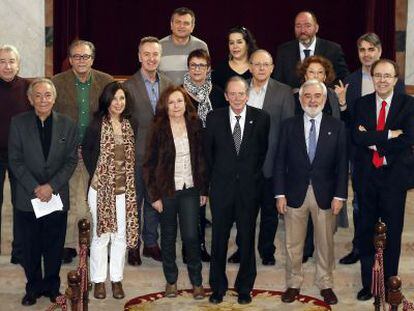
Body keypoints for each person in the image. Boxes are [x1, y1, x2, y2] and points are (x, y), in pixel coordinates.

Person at [275, 79, 348, 305]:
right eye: (307, 96)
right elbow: (279, 162)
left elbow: (342, 165)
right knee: (293, 243)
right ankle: (293, 283)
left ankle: (325, 283)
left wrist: (340, 196)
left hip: (325, 195)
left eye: (317, 96)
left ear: (325, 99)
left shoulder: (337, 126)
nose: (312, 100)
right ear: (300, 99)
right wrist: (279, 194)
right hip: (294, 193)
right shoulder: (288, 125)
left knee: (325, 242)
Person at [8, 78, 78, 306]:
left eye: (47, 95)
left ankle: (51, 286)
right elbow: (15, 160)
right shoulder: (18, 123)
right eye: (37, 95)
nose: (43, 100)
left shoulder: (68, 124)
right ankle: (33, 288)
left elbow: (70, 161)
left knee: (54, 245)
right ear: (30, 99)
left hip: (56, 196)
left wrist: (51, 186)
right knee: (30, 247)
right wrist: (35, 187)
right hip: (28, 197)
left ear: (54, 98)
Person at [340, 33, 406, 265]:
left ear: (379, 51)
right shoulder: (351, 81)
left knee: (389, 217)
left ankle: (386, 265)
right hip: (362, 158)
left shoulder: (394, 81)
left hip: (390, 162)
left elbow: (402, 127)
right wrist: (344, 106)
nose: (366, 54)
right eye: (362, 50)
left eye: (371, 49)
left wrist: (374, 138)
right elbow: (352, 126)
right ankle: (360, 248)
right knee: (360, 208)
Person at [353, 59, 414, 301]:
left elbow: (408, 139)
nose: (382, 80)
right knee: (367, 231)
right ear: (372, 78)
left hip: (393, 180)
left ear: (395, 80)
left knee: (392, 233)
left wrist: (372, 139)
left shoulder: (408, 105)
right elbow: (356, 139)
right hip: (366, 178)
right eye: (378, 75)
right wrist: (389, 134)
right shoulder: (361, 104)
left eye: (387, 76)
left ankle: (390, 283)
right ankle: (369, 285)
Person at [206, 76, 270, 305]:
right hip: (221, 190)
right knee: (218, 240)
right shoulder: (214, 118)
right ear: (225, 96)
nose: (236, 98)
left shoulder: (261, 118)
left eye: (240, 93)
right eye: (232, 94)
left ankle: (245, 287)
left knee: (246, 239)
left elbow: (261, 153)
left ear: (247, 94)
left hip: (248, 191)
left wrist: (250, 179)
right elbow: (209, 155)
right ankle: (217, 287)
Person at [227, 49, 294, 266]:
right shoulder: (239, 88)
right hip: (242, 164)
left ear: (272, 67)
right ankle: (242, 249)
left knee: (268, 212)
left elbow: (288, 130)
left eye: (266, 64)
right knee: (244, 211)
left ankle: (267, 250)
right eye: (257, 64)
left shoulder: (283, 92)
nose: (261, 68)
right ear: (250, 67)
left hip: (271, 163)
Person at [143, 85, 208, 300]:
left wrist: (203, 188)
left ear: (185, 103)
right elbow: (148, 165)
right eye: (171, 102)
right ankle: (171, 281)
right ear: (165, 106)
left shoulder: (195, 124)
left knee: (191, 236)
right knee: (169, 237)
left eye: (179, 101)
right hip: (166, 191)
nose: (176, 106)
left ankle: (197, 282)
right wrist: (154, 196)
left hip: (190, 189)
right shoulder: (158, 128)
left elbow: (201, 159)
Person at [52, 39, 113, 264]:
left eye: (85, 56)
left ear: (93, 59)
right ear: (69, 60)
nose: (81, 61)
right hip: (68, 152)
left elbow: (115, 113)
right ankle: (68, 244)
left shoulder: (106, 81)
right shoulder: (57, 82)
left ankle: (96, 243)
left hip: (97, 151)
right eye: (76, 56)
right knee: (69, 200)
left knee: (96, 200)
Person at [82, 81, 139, 300]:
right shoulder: (96, 124)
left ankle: (116, 279)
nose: (118, 103)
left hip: (125, 191)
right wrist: (98, 174)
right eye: (114, 98)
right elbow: (87, 151)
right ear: (107, 100)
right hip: (100, 190)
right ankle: (98, 280)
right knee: (101, 235)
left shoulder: (130, 124)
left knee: (120, 236)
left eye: (122, 98)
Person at [294, 55, 349, 263]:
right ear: (304, 74)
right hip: (303, 165)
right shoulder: (296, 96)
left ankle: (322, 251)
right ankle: (306, 248)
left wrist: (343, 104)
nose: (316, 76)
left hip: (328, 165)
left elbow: (343, 126)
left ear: (326, 76)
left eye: (320, 73)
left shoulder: (333, 96)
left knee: (325, 213)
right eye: (311, 72)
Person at [124, 36, 171, 265]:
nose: (151, 59)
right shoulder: (127, 87)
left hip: (161, 157)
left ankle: (151, 243)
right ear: (139, 56)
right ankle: (133, 245)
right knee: (134, 201)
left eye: (155, 54)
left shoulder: (170, 85)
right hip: (136, 155)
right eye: (147, 54)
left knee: (156, 200)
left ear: (160, 57)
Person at [181, 48, 226, 263]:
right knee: (194, 205)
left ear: (208, 69)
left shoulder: (218, 93)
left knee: (214, 202)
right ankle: (194, 247)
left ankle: (214, 247)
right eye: (193, 65)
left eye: (201, 66)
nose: (197, 69)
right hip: (189, 156)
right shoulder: (179, 93)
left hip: (215, 155)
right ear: (188, 68)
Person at [0, 44, 31, 264]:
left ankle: (18, 251)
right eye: (2, 61)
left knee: (20, 203)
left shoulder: (29, 88)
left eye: (11, 61)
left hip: (21, 156)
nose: (7, 66)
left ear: (18, 64)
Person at [274, 11, 349, 89]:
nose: (302, 30)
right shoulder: (284, 51)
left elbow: (343, 79)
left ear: (316, 28)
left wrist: (323, 92)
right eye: (298, 26)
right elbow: (278, 82)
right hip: (292, 100)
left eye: (308, 26)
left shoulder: (333, 49)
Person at [159, 7, 209, 85]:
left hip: (192, 96)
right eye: (178, 22)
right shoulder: (159, 46)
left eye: (186, 23)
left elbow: (206, 75)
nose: (181, 26)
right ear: (171, 25)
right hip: (165, 96)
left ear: (192, 27)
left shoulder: (201, 46)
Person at [212, 26, 257, 92]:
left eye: (239, 42)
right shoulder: (220, 69)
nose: (235, 46)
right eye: (231, 43)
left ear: (247, 45)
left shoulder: (257, 68)